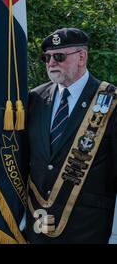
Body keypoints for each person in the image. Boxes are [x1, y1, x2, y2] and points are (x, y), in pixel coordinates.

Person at [26, 28, 117, 243]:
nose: (51, 63)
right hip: (39, 225)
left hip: (87, 227)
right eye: (47, 57)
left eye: (59, 56)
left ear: (82, 57)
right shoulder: (35, 98)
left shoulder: (110, 101)